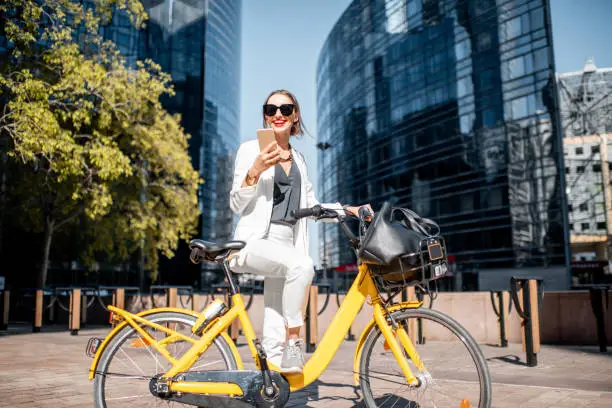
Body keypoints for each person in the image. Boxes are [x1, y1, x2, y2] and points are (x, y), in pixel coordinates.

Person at [229, 89, 371, 372]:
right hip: (255, 241)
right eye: (271, 110)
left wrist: (349, 210)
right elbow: (236, 203)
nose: (278, 114)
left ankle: (268, 386)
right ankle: (295, 340)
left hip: (287, 243)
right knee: (302, 265)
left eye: (285, 108)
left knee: (274, 319)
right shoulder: (250, 150)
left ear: (295, 115)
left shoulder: (301, 161)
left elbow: (312, 206)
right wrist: (254, 171)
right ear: (266, 116)